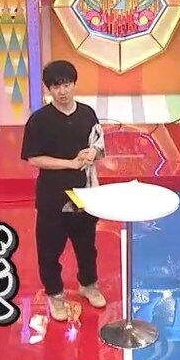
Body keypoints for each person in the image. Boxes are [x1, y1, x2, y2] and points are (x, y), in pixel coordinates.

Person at [21, 60, 107, 322]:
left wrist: (93, 153)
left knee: (87, 246)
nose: (62, 91)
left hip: (85, 193)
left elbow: (100, 146)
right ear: (48, 89)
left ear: (74, 84)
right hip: (53, 195)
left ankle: (88, 285)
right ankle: (55, 294)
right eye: (56, 86)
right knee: (49, 250)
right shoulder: (39, 120)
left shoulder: (88, 114)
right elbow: (33, 158)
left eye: (67, 84)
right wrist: (69, 163)